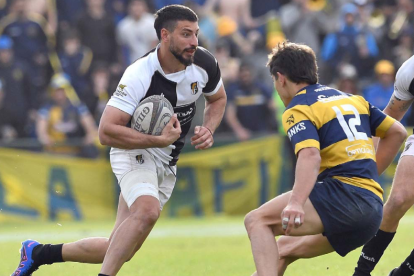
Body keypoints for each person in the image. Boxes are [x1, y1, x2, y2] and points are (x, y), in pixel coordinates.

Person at [11, 4, 227, 276]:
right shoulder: (139, 74)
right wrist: (157, 140)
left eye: (195, 34)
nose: (194, 42)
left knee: (119, 248)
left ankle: (39, 252)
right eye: (186, 34)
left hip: (167, 159)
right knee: (147, 211)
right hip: (133, 151)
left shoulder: (204, 63)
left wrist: (209, 128)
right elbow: (105, 131)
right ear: (165, 35)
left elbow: (218, 98)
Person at [244, 41, 407, 276]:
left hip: (342, 198)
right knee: (279, 250)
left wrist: (297, 202)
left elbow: (310, 156)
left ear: (280, 78)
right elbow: (397, 132)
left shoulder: (298, 108)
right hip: (371, 211)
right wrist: (370, 171)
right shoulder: (353, 99)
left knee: (256, 220)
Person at [352, 55, 414, 276]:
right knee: (397, 200)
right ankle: (362, 272)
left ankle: (404, 273)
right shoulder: (410, 70)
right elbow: (390, 117)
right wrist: (363, 164)